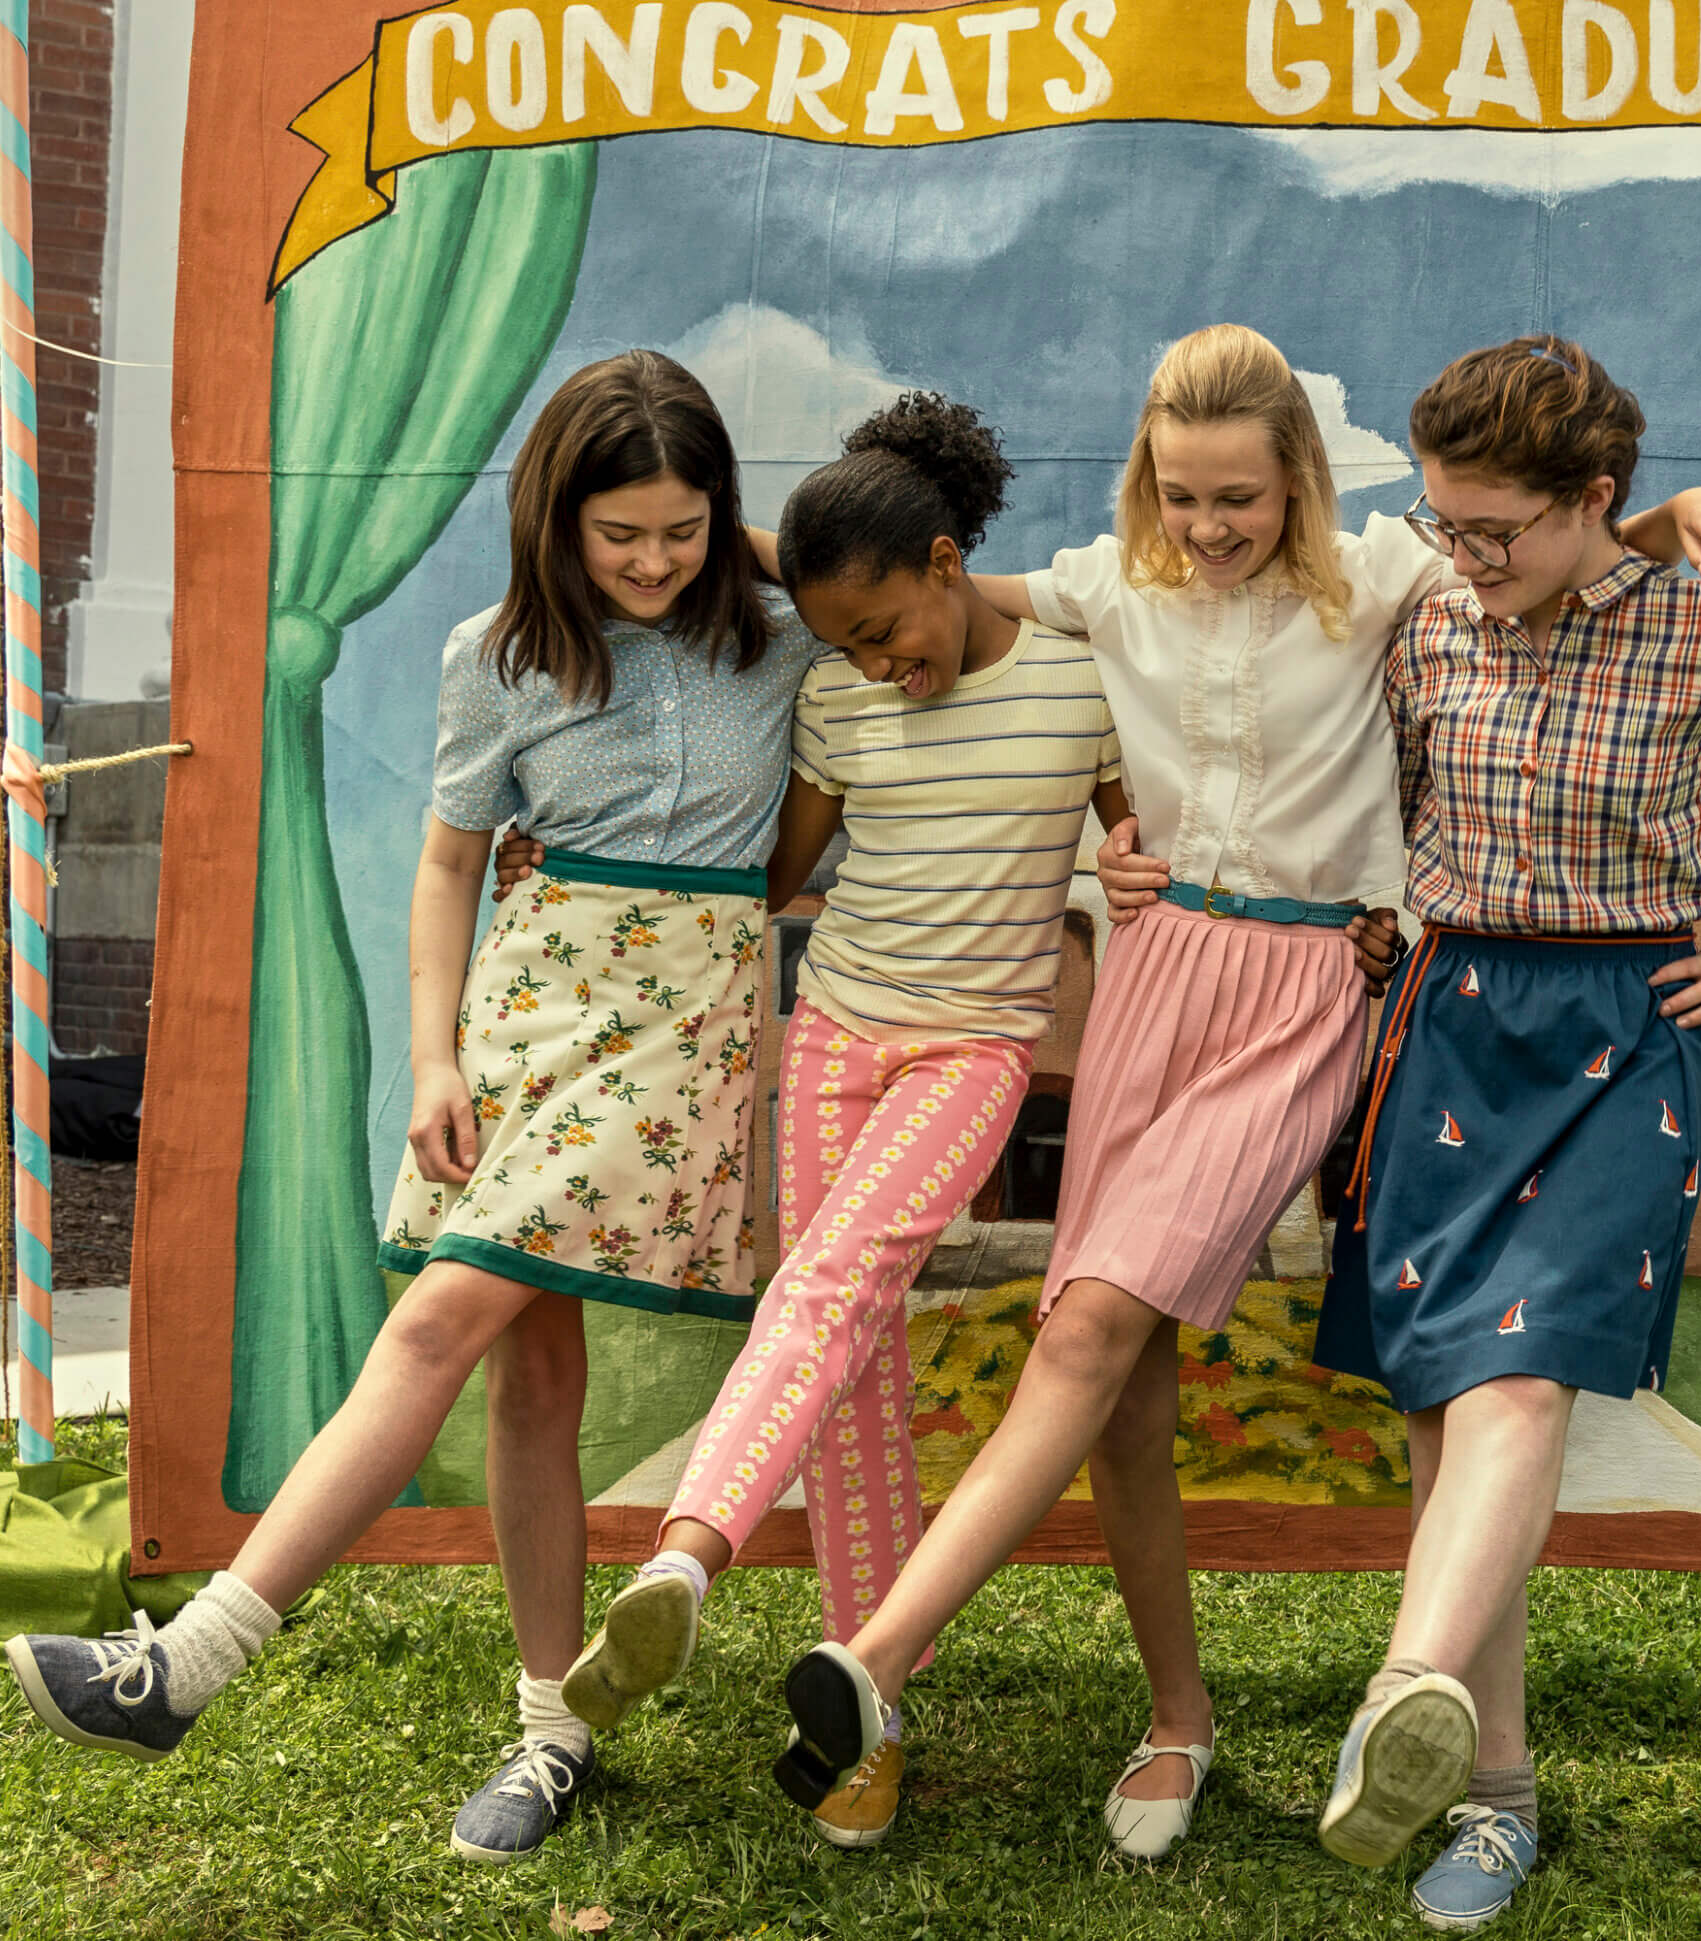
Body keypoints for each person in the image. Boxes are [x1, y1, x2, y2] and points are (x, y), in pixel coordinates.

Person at [759, 323, 1701, 1861]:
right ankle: (1176, 1718)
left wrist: (1667, 510)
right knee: (1121, 1382)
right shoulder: (1111, 588)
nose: (1212, 527)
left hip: (1304, 995)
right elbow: (934, 604)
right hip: (1156, 979)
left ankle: (880, 1661)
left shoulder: (1383, 579)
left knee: (1093, 1315)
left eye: (1239, 496)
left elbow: (1553, 549)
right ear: (1146, 484)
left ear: (1298, 477)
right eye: (1183, 496)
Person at [3, 351, 834, 1863]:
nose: (654, 562)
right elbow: (452, 861)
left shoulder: (782, 637)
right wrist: (438, 1058)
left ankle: (189, 1662)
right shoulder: (497, 653)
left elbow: (930, 611)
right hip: (523, 1016)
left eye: (684, 528)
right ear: (552, 524)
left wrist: (757, 543)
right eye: (618, 534)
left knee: (440, 1323)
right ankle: (552, 1734)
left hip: (676, 1032)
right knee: (527, 1375)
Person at [1309, 335, 1701, 1930]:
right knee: (1451, 1425)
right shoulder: (1430, 618)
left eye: (1498, 527)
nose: (1466, 553)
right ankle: (1494, 1796)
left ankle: (1402, 1689)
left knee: (1523, 1383)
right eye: (1448, 521)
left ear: (1594, 500)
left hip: (1622, 1037)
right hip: (1445, 1028)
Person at [524, 393, 1131, 1850]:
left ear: (945, 562)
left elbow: (1150, 837)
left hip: (974, 1051)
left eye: (887, 631)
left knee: (830, 1284)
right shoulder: (839, 694)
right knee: (847, 1370)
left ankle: (687, 1553)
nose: (875, 665)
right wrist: (588, 877)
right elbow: (777, 878)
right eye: (844, 644)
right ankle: (868, 1718)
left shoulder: (1074, 682)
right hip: (840, 1035)